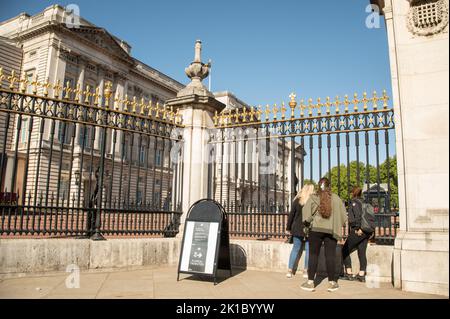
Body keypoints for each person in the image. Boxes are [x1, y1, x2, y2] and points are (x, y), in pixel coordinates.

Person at [300, 177, 347, 292]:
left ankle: (311, 282)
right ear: (329, 186)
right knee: (330, 255)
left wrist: (308, 221)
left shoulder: (313, 197)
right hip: (331, 230)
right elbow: (343, 217)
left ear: (318, 185)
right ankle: (332, 282)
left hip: (315, 230)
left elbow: (305, 214)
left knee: (313, 255)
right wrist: (335, 223)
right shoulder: (336, 198)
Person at [341, 187, 373, 282]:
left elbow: (358, 216)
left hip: (358, 230)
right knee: (362, 252)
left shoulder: (354, 202)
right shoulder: (364, 202)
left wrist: (359, 228)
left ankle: (349, 273)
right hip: (367, 231)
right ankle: (361, 275)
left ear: (353, 193)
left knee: (345, 250)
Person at [286, 184, 315, 278]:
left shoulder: (297, 200)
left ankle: (290, 270)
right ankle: (305, 271)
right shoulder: (312, 201)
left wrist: (288, 228)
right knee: (308, 250)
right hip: (309, 228)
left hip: (297, 228)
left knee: (295, 249)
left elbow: (291, 216)